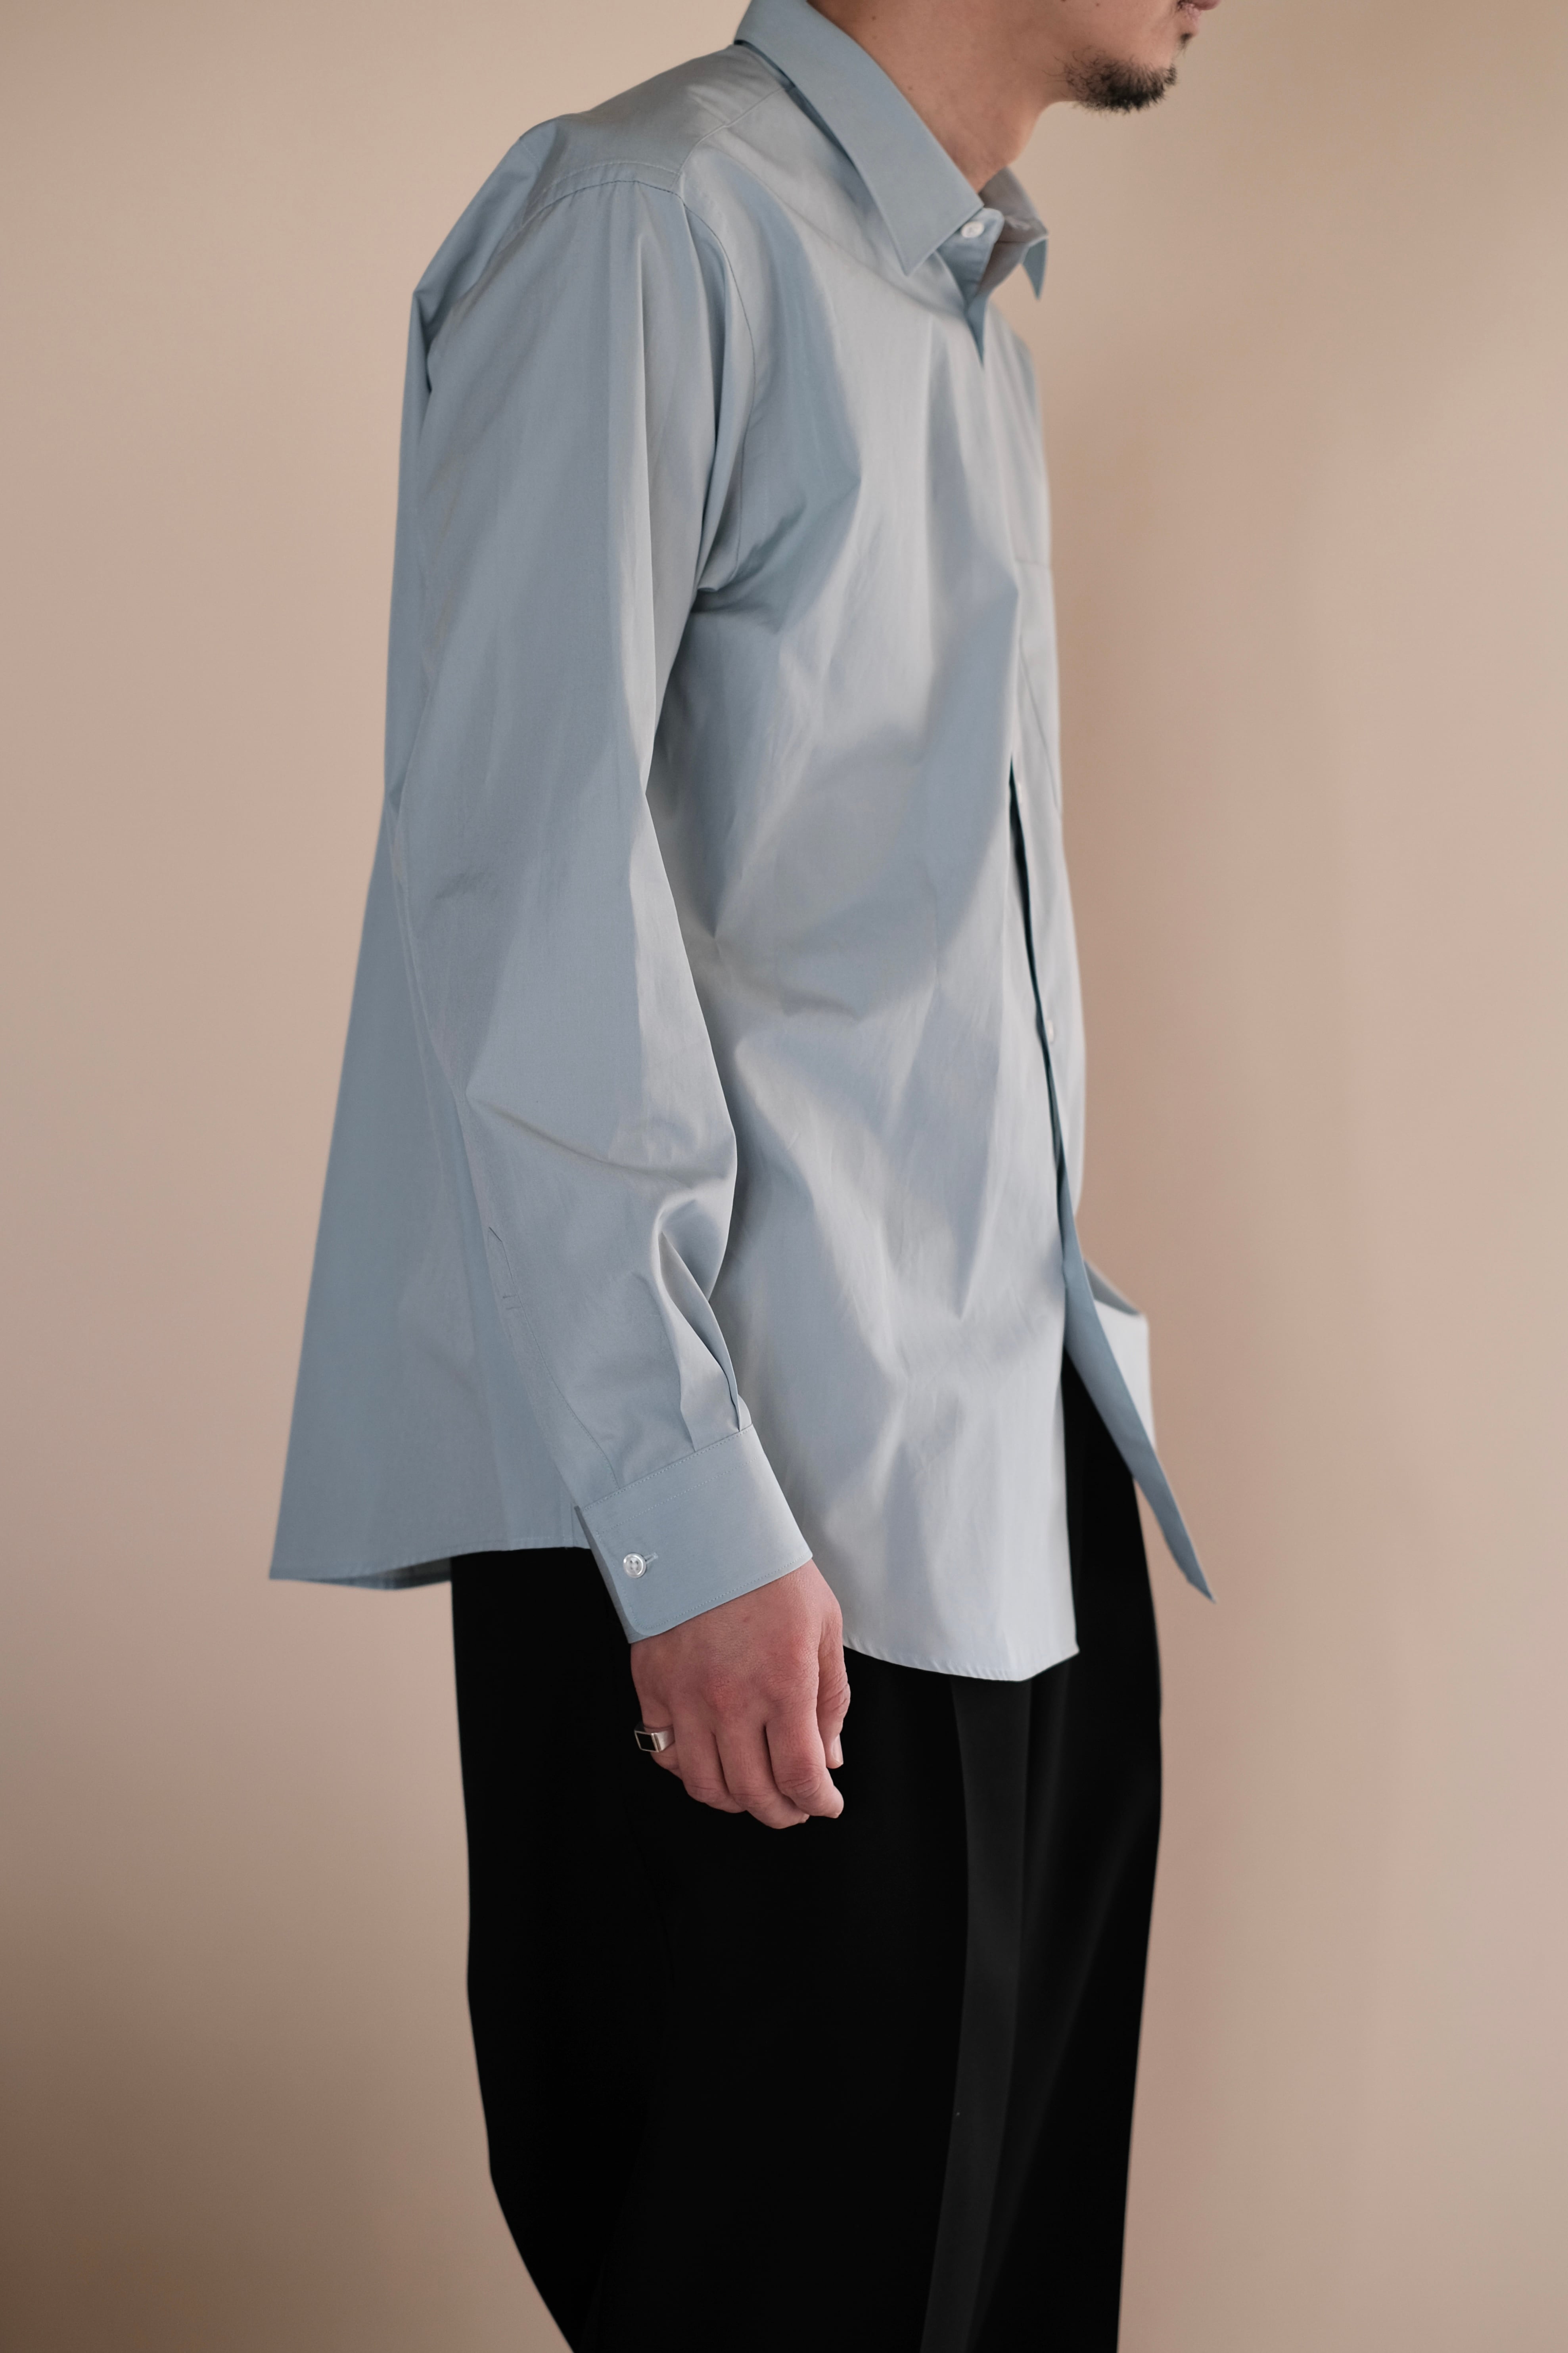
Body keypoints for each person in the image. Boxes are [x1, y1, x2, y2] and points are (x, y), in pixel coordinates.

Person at [272, 0, 1221, 2342]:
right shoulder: (647, 222)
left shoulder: (956, 313)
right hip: (750, 1533)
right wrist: (680, 1514)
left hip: (1004, 1497)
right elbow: (518, 891)